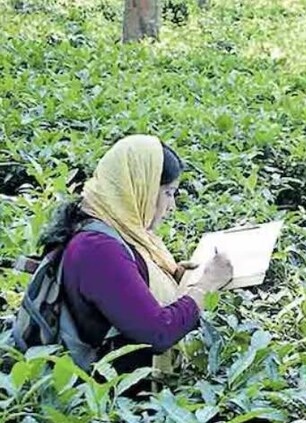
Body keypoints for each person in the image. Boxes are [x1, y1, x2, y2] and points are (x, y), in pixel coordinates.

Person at [34, 135, 233, 376]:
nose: (172, 207)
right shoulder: (97, 249)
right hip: (108, 399)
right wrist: (205, 286)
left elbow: (124, 288)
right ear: (140, 187)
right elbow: (158, 333)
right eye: (168, 193)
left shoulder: (108, 223)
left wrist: (174, 278)